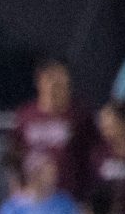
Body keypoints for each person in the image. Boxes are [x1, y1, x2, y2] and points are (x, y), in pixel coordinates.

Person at [11, 58, 88, 199]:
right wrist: (18, 192)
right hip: (34, 197)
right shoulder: (26, 115)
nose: (56, 87)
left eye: (62, 83)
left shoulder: (79, 116)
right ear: (40, 81)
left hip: (68, 197)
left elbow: (89, 158)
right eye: (52, 80)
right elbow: (15, 157)